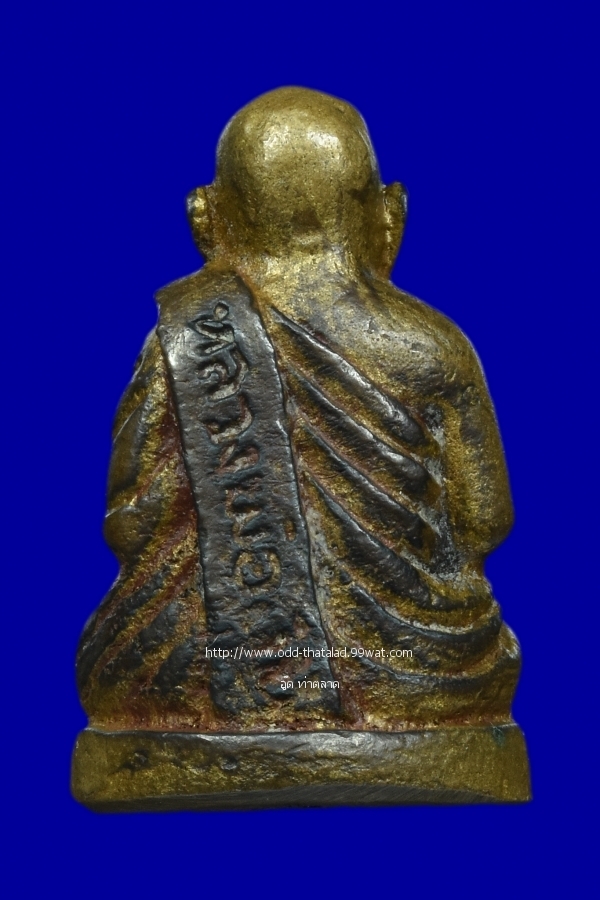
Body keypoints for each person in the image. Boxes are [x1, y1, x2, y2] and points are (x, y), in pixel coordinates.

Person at [77, 87, 520, 734]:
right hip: (410, 666)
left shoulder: (185, 341)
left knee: (125, 667)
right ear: (390, 215)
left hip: (207, 665)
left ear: (205, 219)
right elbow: (484, 524)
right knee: (484, 652)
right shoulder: (432, 347)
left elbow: (130, 524)